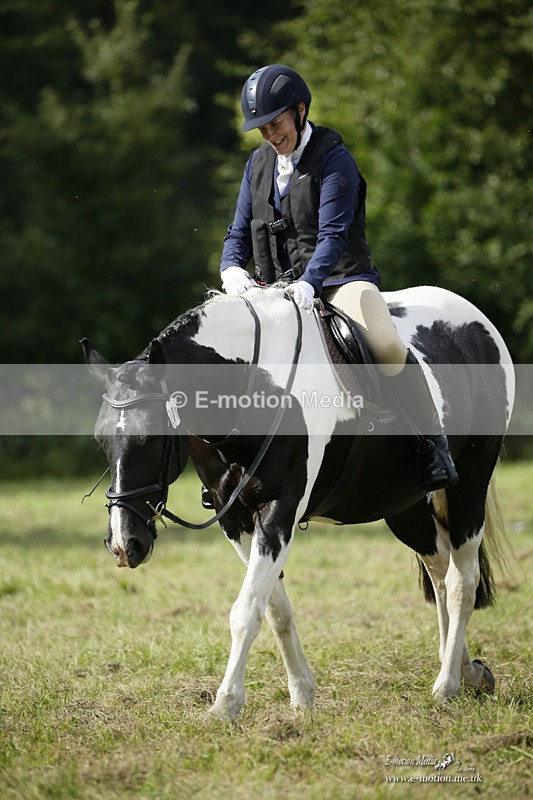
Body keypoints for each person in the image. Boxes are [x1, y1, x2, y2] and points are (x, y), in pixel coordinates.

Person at [204, 64, 457, 507]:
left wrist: (309, 282)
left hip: (340, 280)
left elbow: (333, 235)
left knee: (387, 345)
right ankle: (226, 468)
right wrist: (230, 269)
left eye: (276, 124)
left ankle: (431, 445)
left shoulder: (335, 160)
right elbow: (238, 232)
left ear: (300, 111)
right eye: (263, 129)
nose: (270, 135)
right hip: (274, 291)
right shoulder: (257, 164)